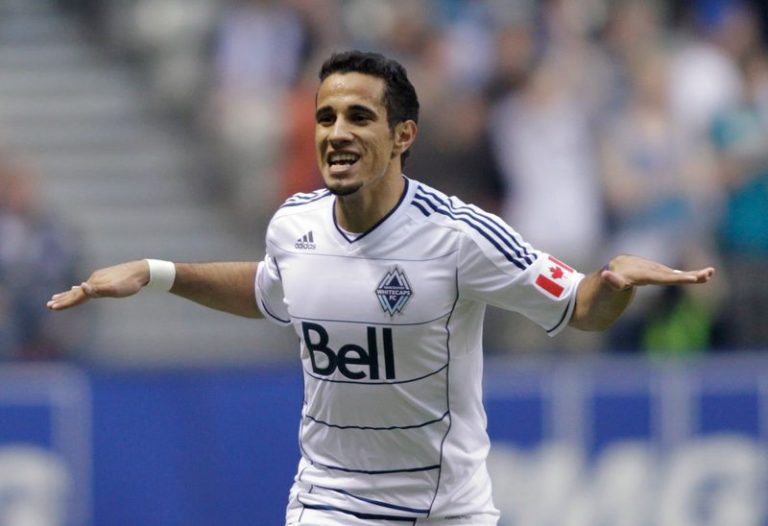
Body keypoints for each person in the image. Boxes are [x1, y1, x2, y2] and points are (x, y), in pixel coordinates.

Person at [47, 51, 715, 526]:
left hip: (448, 506)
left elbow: (583, 311)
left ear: (403, 136)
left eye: (359, 117)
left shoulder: (461, 238)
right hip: (331, 501)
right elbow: (270, 289)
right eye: (326, 116)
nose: (337, 133)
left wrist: (615, 280)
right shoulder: (294, 226)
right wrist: (158, 273)